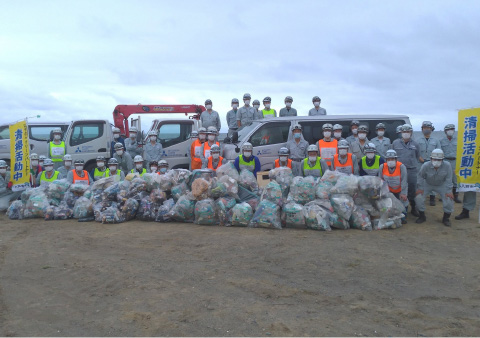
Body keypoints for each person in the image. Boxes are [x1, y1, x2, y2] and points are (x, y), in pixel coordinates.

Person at [415, 149, 453, 226]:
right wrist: (420, 188)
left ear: (442, 159)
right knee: (418, 197)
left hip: (441, 185)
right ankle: (422, 216)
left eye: (439, 160)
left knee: (449, 199)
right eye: (434, 159)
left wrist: (449, 191)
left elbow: (449, 178)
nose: (436, 161)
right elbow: (420, 176)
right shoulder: (425, 165)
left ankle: (446, 218)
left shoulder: (447, 165)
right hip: (427, 184)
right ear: (431, 159)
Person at [390, 124, 420, 217]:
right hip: (399, 170)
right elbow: (392, 156)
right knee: (399, 189)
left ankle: (413, 208)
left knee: (412, 189)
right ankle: (399, 208)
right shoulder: (395, 143)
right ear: (401, 132)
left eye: (408, 131)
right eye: (404, 132)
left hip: (411, 170)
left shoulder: (416, 144)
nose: (406, 133)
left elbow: (417, 156)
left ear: (411, 132)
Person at [378, 149, 408, 224]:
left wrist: (403, 193)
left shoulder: (402, 166)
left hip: (400, 190)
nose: (390, 161)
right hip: (389, 190)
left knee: (404, 202)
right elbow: (380, 180)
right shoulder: (382, 167)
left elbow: (404, 181)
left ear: (396, 159)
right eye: (388, 159)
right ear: (386, 160)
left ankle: (403, 215)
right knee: (387, 203)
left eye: (392, 159)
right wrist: (382, 192)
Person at [416, 121, 441, 206]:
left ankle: (432, 198)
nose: (426, 129)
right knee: (420, 179)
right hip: (420, 162)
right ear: (422, 129)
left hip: (432, 163)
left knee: (432, 179)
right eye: (424, 128)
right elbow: (416, 151)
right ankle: (420, 196)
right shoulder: (418, 140)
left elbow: (439, 151)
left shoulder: (436, 140)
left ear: (431, 129)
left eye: (428, 128)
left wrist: (433, 161)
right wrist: (420, 158)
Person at [440, 124, 462, 203]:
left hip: (455, 161)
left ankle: (455, 196)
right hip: (445, 161)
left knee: (455, 179)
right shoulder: (441, 141)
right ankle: (444, 195)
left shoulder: (458, 140)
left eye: (452, 129)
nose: (450, 131)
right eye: (448, 129)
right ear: (445, 131)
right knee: (444, 179)